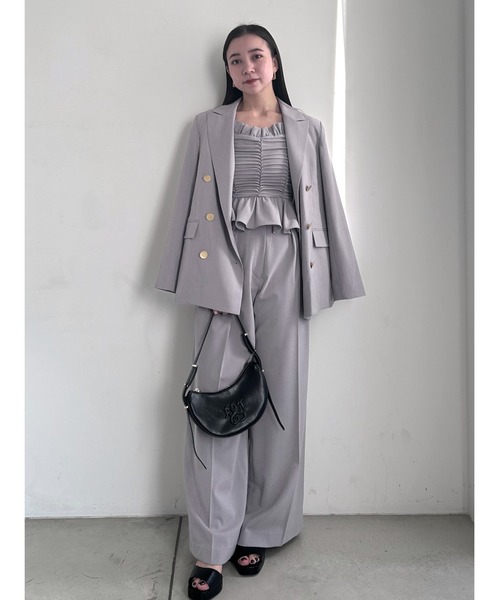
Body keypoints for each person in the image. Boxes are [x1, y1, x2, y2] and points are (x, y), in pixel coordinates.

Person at [155, 24, 365, 600]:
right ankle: (212, 547)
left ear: (274, 62)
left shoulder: (307, 128)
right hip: (221, 262)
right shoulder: (207, 126)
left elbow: (327, 203)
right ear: (227, 71)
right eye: (235, 60)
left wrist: (339, 273)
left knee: (280, 399)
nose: (246, 67)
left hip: (289, 262)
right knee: (216, 401)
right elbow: (186, 202)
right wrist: (178, 272)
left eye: (256, 56)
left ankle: (263, 528)